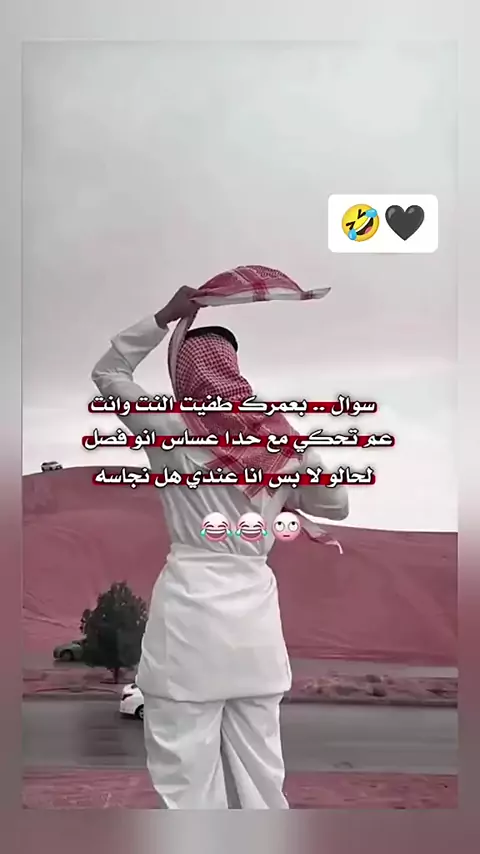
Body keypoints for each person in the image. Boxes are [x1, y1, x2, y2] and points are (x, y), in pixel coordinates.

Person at [91, 270, 349, 810]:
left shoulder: (169, 429)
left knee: (185, 777)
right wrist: (297, 445)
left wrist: (164, 317)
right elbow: (334, 505)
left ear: (182, 374)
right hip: (255, 628)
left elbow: (109, 372)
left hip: (190, 622)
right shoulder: (276, 443)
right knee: (263, 777)